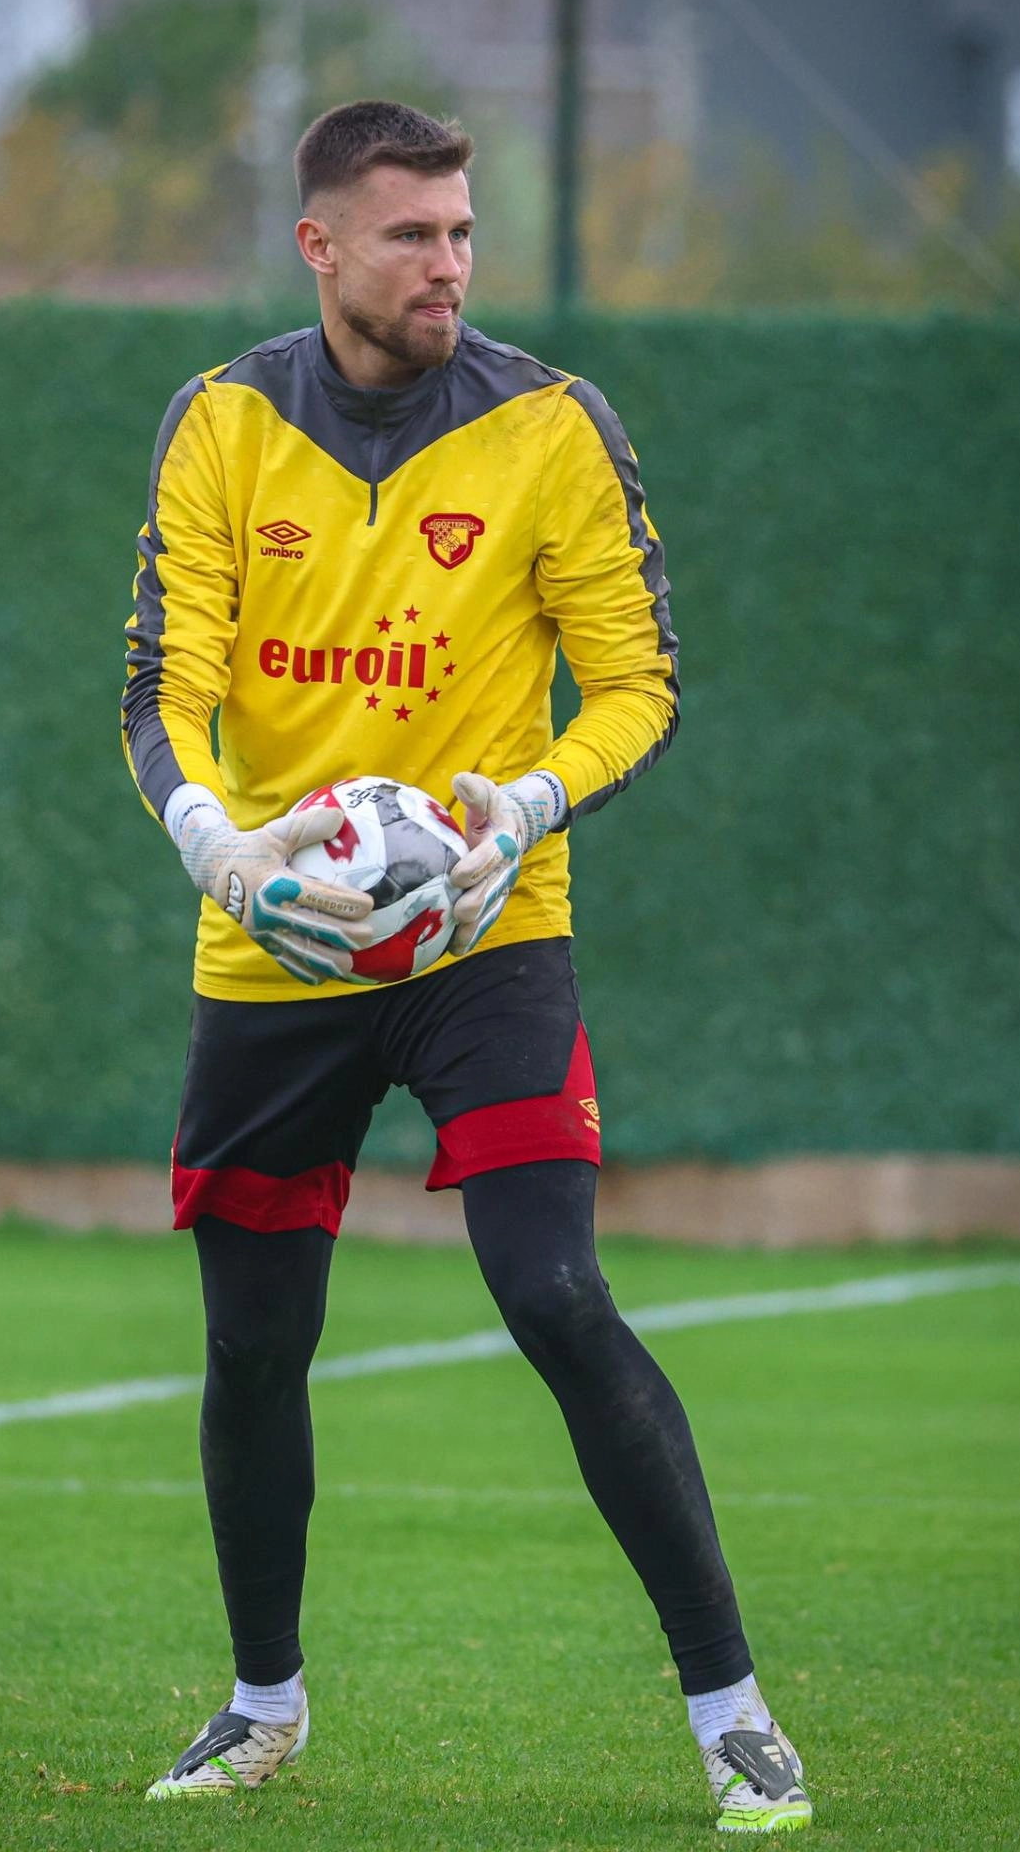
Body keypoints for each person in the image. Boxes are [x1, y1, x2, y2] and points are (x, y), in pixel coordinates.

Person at [120, 99, 811, 1835]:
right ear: (320, 246)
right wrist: (218, 844)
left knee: (556, 1294)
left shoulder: (551, 423)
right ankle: (262, 1706)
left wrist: (527, 803)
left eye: (463, 231)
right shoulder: (222, 422)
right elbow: (160, 687)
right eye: (414, 234)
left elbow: (639, 683)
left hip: (490, 930)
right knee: (252, 1345)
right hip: (277, 942)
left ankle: (734, 1715)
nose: (451, 263)